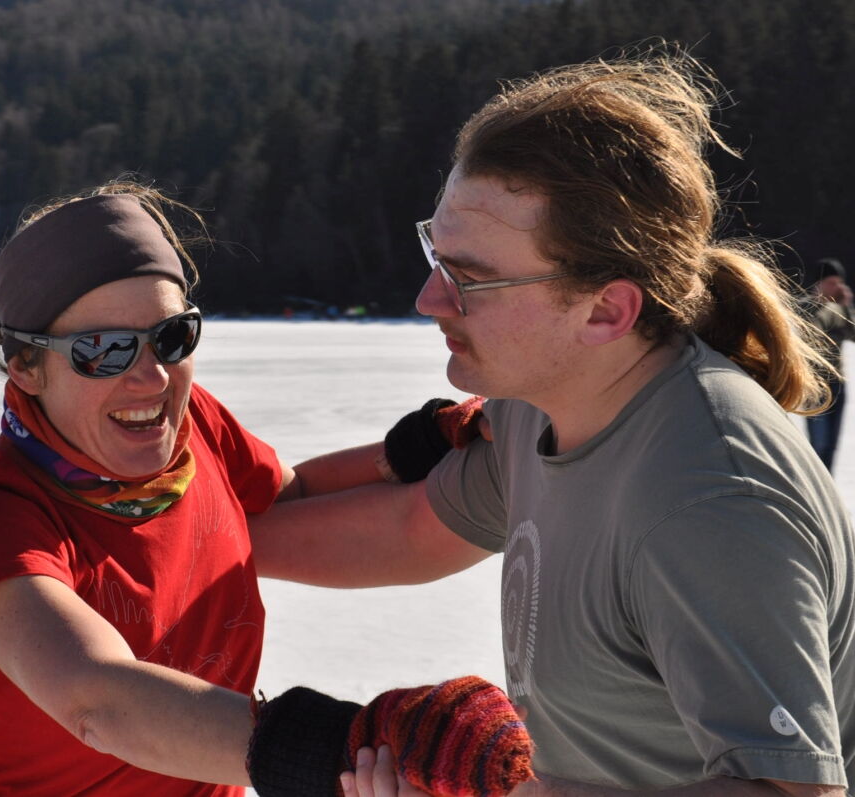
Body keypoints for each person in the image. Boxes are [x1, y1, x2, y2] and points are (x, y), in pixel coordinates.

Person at [250, 48, 855, 796]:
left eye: (470, 279)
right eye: (437, 257)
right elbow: (413, 527)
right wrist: (178, 550)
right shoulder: (541, 406)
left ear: (606, 310)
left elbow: (791, 792)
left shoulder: (708, 500)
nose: (429, 300)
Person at [0, 181, 529, 797]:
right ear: (26, 366)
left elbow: (290, 494)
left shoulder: (193, 432)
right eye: (103, 350)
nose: (152, 378)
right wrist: (350, 743)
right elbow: (96, 699)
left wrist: (415, 447)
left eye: (171, 337)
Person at [805, 257, 854, 470]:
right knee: (819, 444)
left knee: (831, 447)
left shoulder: (839, 310)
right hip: (815, 385)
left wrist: (846, 306)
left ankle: (828, 486)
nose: (836, 287)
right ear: (819, 283)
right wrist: (820, 302)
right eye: (831, 282)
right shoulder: (806, 307)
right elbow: (811, 332)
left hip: (837, 383)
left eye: (839, 283)